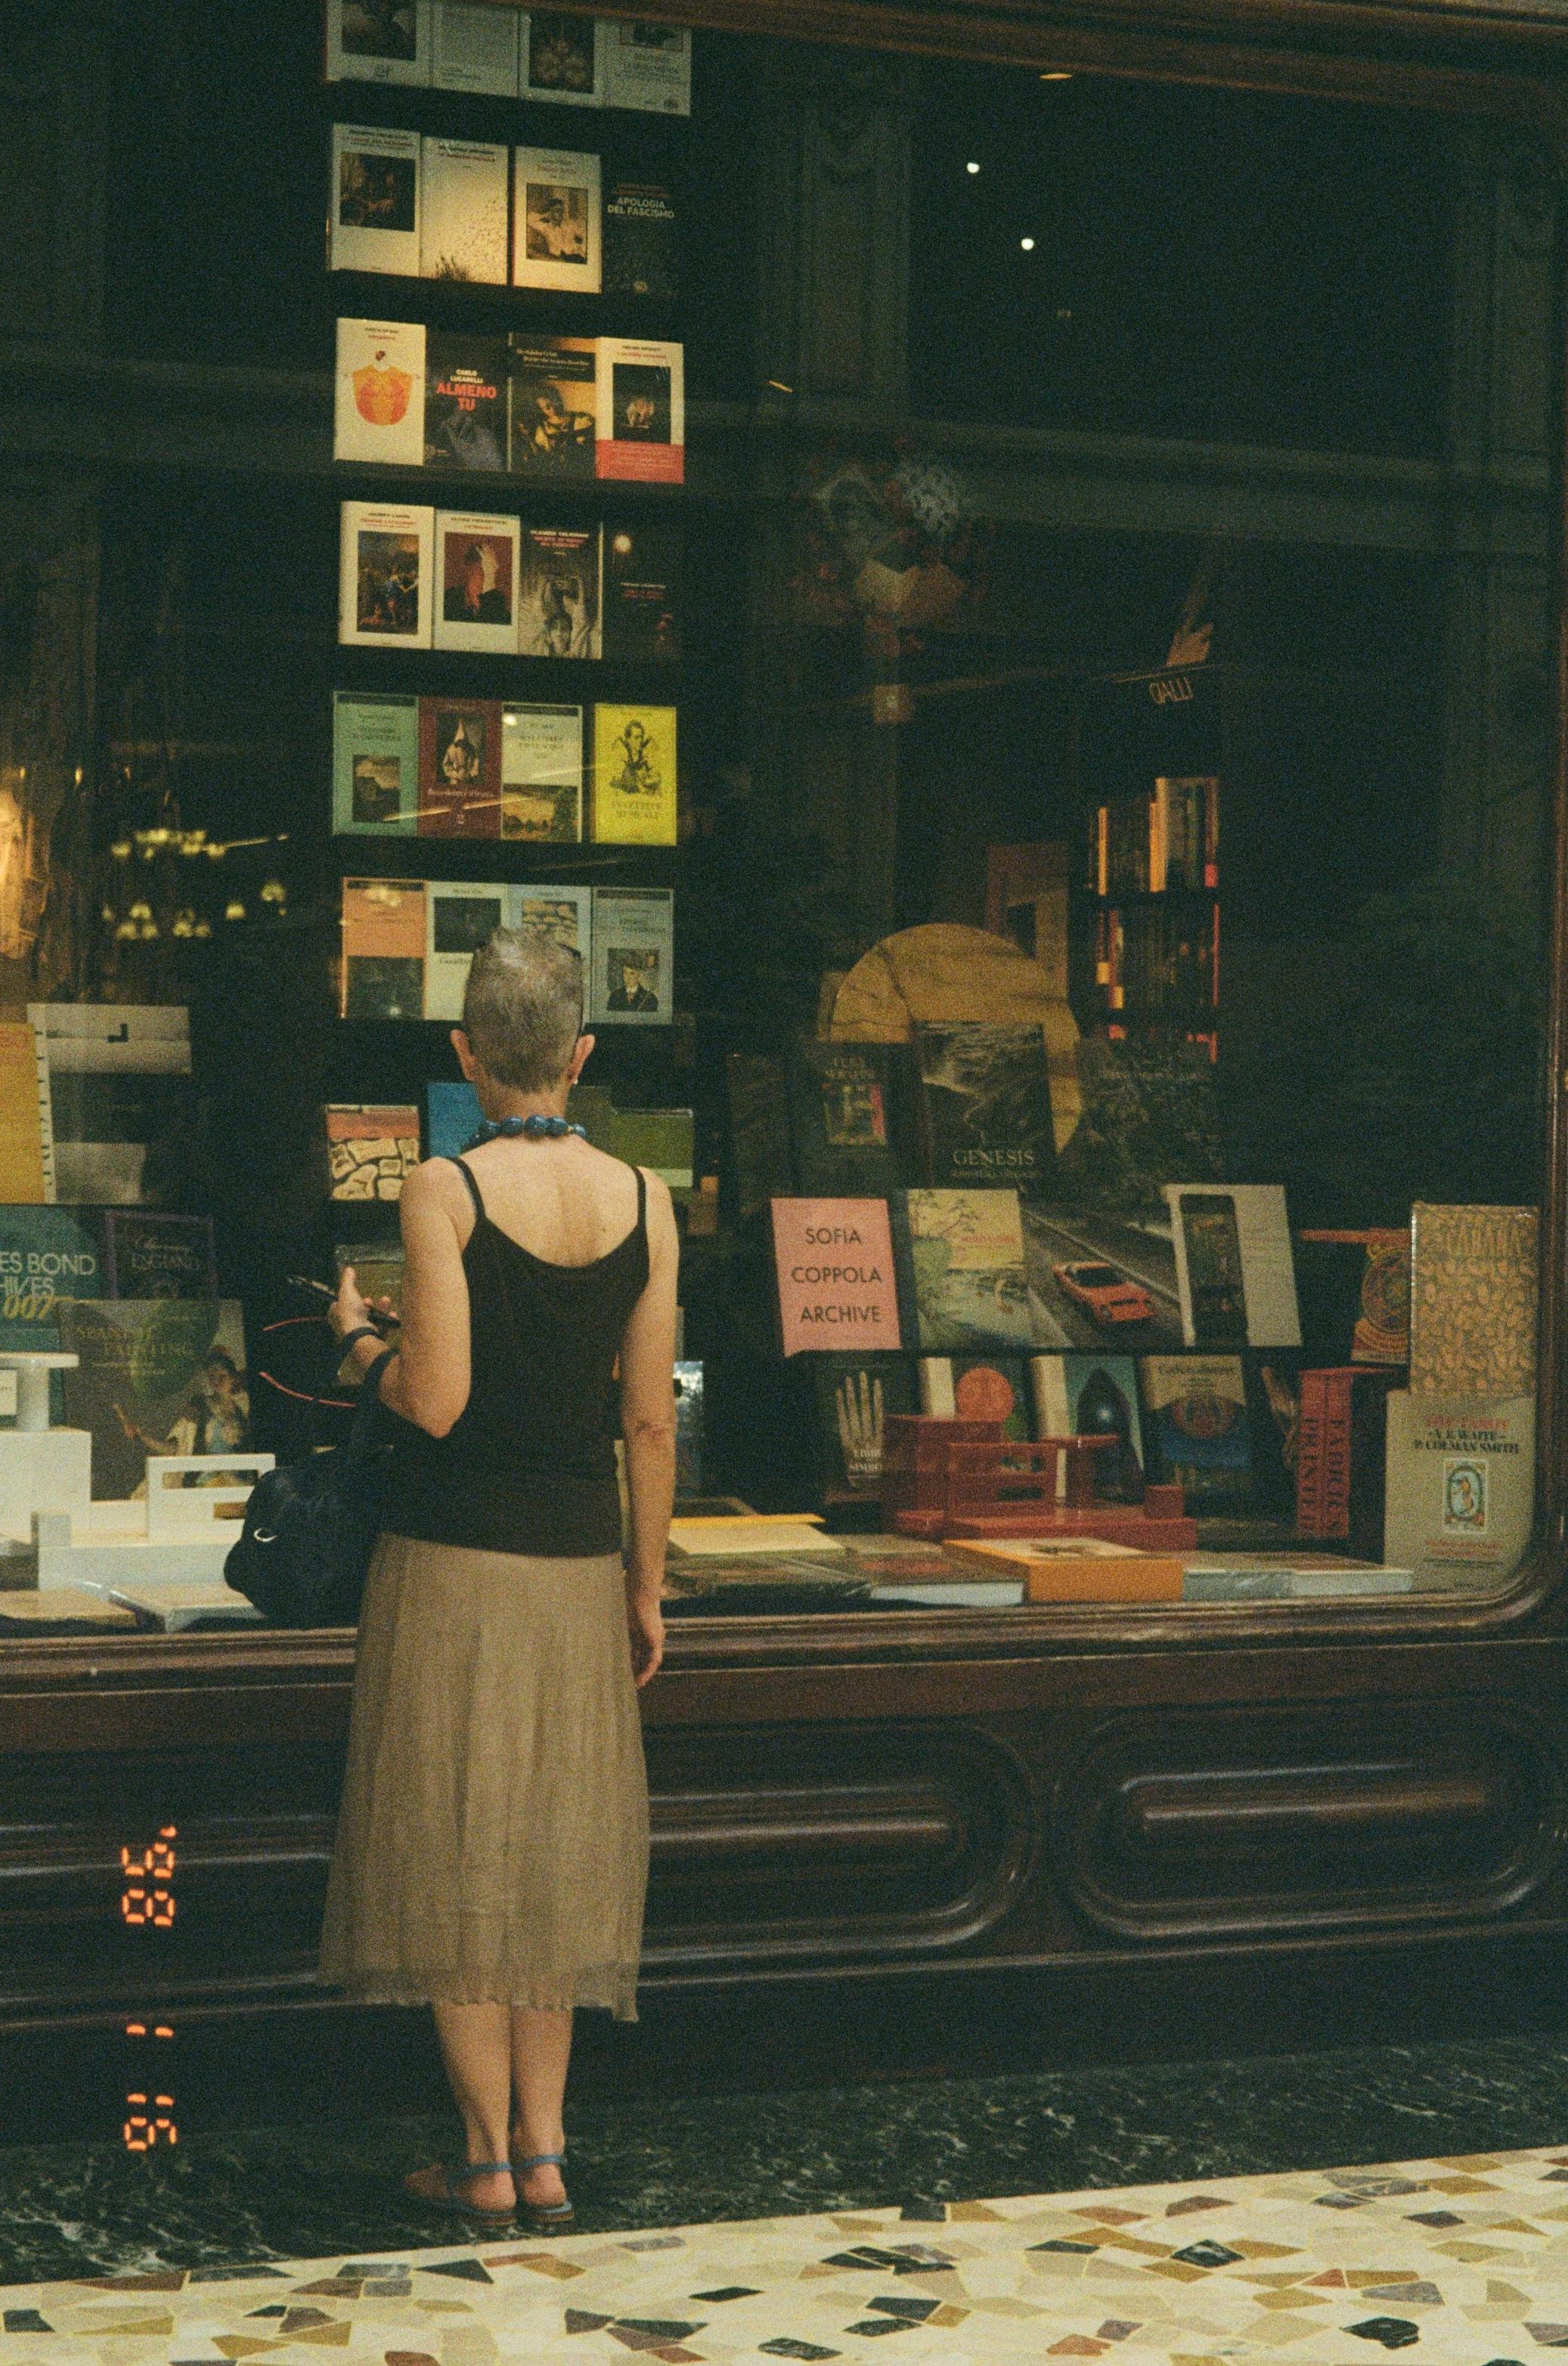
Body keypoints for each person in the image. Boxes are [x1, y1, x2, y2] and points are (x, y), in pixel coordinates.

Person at [319, 928, 677, 2232]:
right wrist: (646, 1586)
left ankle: (482, 2157)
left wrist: (361, 1344)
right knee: (553, 1856)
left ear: (466, 1053)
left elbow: (437, 1395)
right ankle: (547, 2148)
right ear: (581, 1052)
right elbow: (649, 1420)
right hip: (578, 1562)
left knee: (454, 1850)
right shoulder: (645, 1198)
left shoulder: (443, 1189)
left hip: (453, 1562)